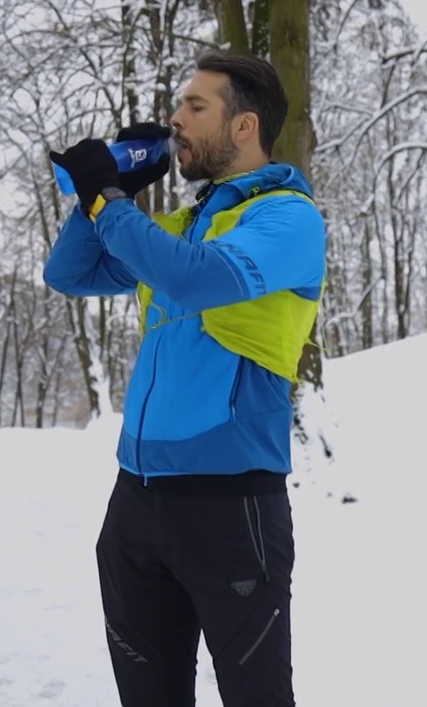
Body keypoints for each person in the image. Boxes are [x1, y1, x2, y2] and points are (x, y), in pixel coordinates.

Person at [42, 52, 325, 706]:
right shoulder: (180, 227)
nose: (176, 118)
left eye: (196, 107)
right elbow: (71, 274)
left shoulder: (287, 219)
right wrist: (115, 187)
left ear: (244, 126)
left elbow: (196, 278)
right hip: (136, 505)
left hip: (231, 506)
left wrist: (111, 203)